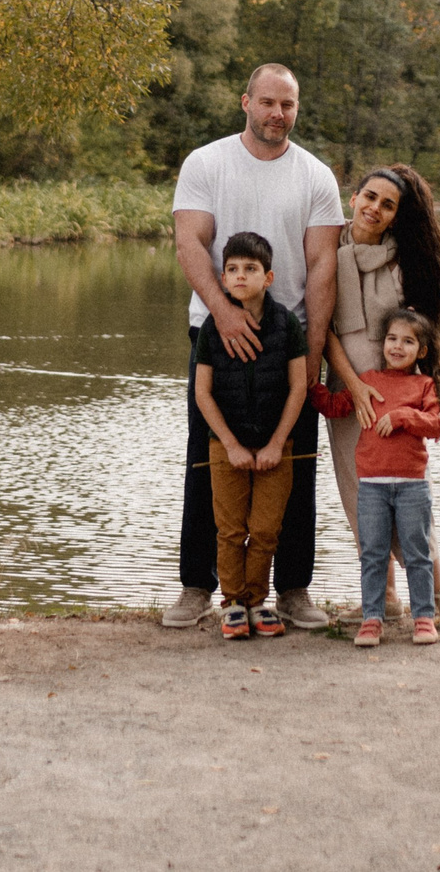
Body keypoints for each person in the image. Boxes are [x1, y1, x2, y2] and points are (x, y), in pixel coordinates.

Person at [166, 64, 345, 631]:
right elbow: (189, 240)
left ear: (296, 108)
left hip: (286, 335)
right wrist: (223, 311)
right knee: (208, 459)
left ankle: (293, 590)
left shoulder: (315, 176)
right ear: (246, 101)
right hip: (215, 330)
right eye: (267, 102)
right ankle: (197, 588)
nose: (277, 114)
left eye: (287, 105)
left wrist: (312, 354)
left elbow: (321, 267)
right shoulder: (207, 162)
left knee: (291, 465)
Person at [322, 164, 440, 629]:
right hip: (350, 388)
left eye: (388, 205)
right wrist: (352, 383)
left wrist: (410, 394)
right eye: (370, 197)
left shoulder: (405, 261)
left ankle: (439, 591)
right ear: (354, 197)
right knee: (359, 492)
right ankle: (385, 598)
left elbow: (417, 336)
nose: (375, 209)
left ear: (396, 216)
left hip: (395, 390)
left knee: (405, 496)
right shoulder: (328, 247)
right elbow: (324, 327)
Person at [191, 232, 310, 639]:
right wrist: (231, 444)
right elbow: (202, 393)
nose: (241, 276)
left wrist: (277, 443)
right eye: (232, 270)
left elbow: (298, 388)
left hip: (278, 447)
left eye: (251, 269)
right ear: (222, 278)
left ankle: (258, 600)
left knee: (264, 529)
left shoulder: (286, 324)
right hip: (227, 446)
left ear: (269, 276)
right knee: (229, 530)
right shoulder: (212, 326)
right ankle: (233, 603)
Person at [312, 310, 440, 647]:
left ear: (422, 351)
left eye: (407, 341)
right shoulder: (368, 380)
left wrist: (403, 416)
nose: (397, 347)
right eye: (392, 339)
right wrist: (304, 385)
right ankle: (373, 619)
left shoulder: (424, 386)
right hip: (372, 487)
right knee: (372, 554)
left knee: (417, 554)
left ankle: (424, 619)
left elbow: (436, 426)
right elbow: (335, 406)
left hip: (412, 487)